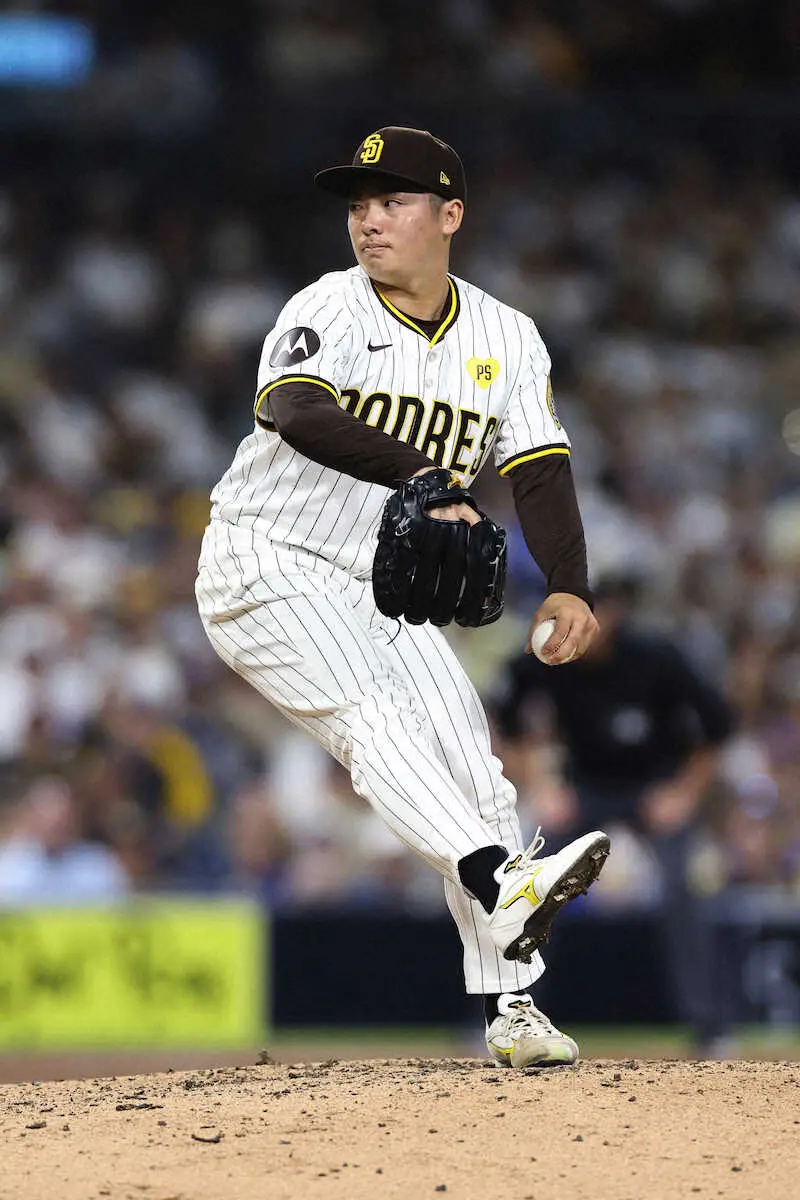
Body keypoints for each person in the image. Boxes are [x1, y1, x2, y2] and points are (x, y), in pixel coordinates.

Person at [196, 126, 609, 1067]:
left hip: (374, 586)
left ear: (450, 214)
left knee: (477, 772)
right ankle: (498, 878)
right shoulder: (329, 305)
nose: (368, 220)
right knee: (374, 719)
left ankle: (512, 1007)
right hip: (267, 559)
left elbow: (540, 467)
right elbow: (295, 407)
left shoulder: (507, 336)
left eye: (392, 201)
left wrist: (570, 586)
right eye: (359, 204)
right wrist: (423, 471)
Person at [492, 575, 735, 1056]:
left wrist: (682, 793)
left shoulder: (656, 655)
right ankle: (507, 1013)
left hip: (654, 787)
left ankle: (711, 1026)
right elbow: (510, 720)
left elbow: (718, 725)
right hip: (585, 788)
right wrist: (542, 786)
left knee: (685, 891)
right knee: (527, 887)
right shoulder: (550, 657)